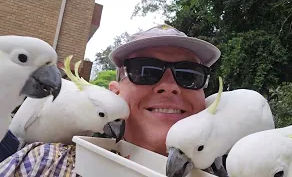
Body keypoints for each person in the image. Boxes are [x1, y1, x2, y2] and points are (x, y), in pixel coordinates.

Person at [0, 24, 221, 176]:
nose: (170, 87)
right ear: (115, 93)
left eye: (190, 75)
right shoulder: (45, 162)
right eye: (145, 71)